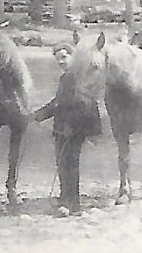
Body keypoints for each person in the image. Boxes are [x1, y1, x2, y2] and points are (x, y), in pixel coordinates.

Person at [33, 42, 103, 216]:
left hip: (74, 128)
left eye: (64, 57)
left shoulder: (78, 77)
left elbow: (85, 105)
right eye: (58, 59)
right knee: (63, 163)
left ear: (73, 56)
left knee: (70, 164)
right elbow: (58, 104)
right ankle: (66, 198)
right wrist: (37, 115)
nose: (61, 62)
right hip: (63, 127)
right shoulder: (66, 78)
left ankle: (71, 203)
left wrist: (74, 127)